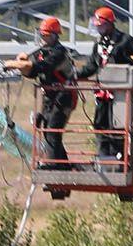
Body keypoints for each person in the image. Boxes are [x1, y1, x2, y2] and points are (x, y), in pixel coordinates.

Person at [7, 15, 80, 171]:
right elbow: (33, 73)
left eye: (46, 36)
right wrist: (23, 66)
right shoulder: (42, 52)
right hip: (50, 96)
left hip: (64, 96)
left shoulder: (59, 53)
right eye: (42, 35)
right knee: (48, 130)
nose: (43, 39)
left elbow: (43, 67)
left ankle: (54, 165)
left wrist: (20, 64)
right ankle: (62, 165)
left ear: (54, 36)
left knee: (52, 130)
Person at [81, 4, 133, 161]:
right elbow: (91, 67)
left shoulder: (125, 42)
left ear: (109, 24)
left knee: (117, 126)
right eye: (97, 26)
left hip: (119, 93)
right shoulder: (98, 45)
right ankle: (104, 157)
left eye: (101, 26)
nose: (98, 29)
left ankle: (119, 158)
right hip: (102, 93)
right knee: (100, 124)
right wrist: (74, 75)